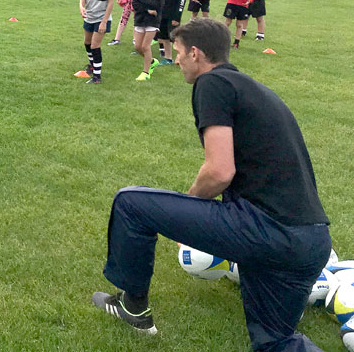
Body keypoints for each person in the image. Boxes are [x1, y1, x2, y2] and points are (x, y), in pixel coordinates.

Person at [92, 18, 330, 352]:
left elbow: (219, 172)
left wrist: (186, 214)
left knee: (131, 204)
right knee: (275, 342)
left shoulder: (212, 84)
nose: (175, 60)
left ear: (196, 53)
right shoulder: (252, 88)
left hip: (266, 230)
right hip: (310, 241)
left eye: (177, 53)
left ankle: (133, 308)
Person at [78, 0, 116, 84]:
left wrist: (104, 21)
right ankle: (92, 66)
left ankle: (97, 77)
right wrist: (81, 7)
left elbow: (111, 2)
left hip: (101, 18)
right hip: (89, 16)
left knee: (95, 45)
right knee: (87, 43)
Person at [131, 0, 165, 81]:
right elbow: (134, 4)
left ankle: (146, 73)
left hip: (152, 21)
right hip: (140, 19)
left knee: (146, 46)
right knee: (138, 47)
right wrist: (146, 9)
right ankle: (151, 61)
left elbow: (157, 5)